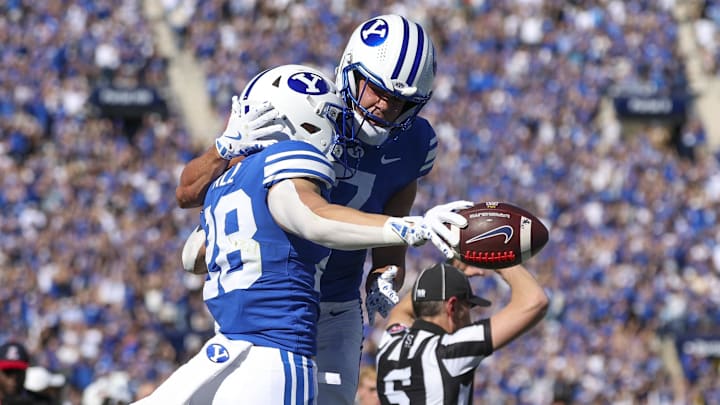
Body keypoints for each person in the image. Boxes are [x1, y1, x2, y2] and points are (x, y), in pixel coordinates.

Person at [139, 64, 468, 404]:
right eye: (326, 118)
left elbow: (194, 255)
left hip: (249, 335)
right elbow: (314, 219)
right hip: (272, 343)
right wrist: (412, 227)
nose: (335, 127)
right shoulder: (282, 161)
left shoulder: (235, 179)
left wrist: (385, 270)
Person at [376, 262, 549, 404]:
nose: (470, 318)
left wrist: (451, 267)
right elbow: (535, 301)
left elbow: (401, 310)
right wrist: (498, 258)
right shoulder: (449, 351)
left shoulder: (391, 342)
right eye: (468, 307)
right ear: (452, 307)